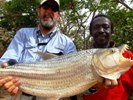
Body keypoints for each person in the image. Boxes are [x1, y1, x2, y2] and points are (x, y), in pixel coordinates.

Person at [0, 0, 77, 100]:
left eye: (53, 9)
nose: (49, 11)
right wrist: (9, 68)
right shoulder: (23, 34)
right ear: (38, 11)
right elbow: (7, 60)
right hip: (19, 94)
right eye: (45, 7)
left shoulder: (68, 43)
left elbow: (76, 73)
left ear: (58, 15)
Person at [83, 14, 133, 100]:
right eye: (96, 27)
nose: (101, 30)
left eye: (106, 27)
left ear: (112, 30)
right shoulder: (82, 59)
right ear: (91, 32)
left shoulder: (127, 57)